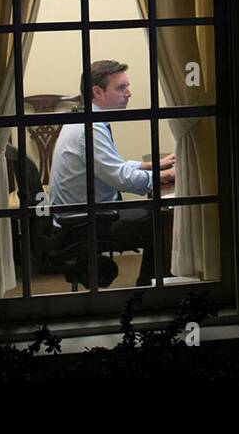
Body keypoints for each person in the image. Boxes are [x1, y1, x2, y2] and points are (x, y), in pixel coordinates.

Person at [46, 60, 175, 287]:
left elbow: (110, 167)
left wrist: (151, 165)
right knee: (162, 220)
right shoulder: (91, 127)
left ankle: (148, 285)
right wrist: (167, 175)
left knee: (155, 213)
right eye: (121, 87)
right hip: (86, 222)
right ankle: (149, 290)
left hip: (78, 215)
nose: (129, 93)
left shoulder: (84, 118)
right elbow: (121, 178)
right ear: (97, 91)